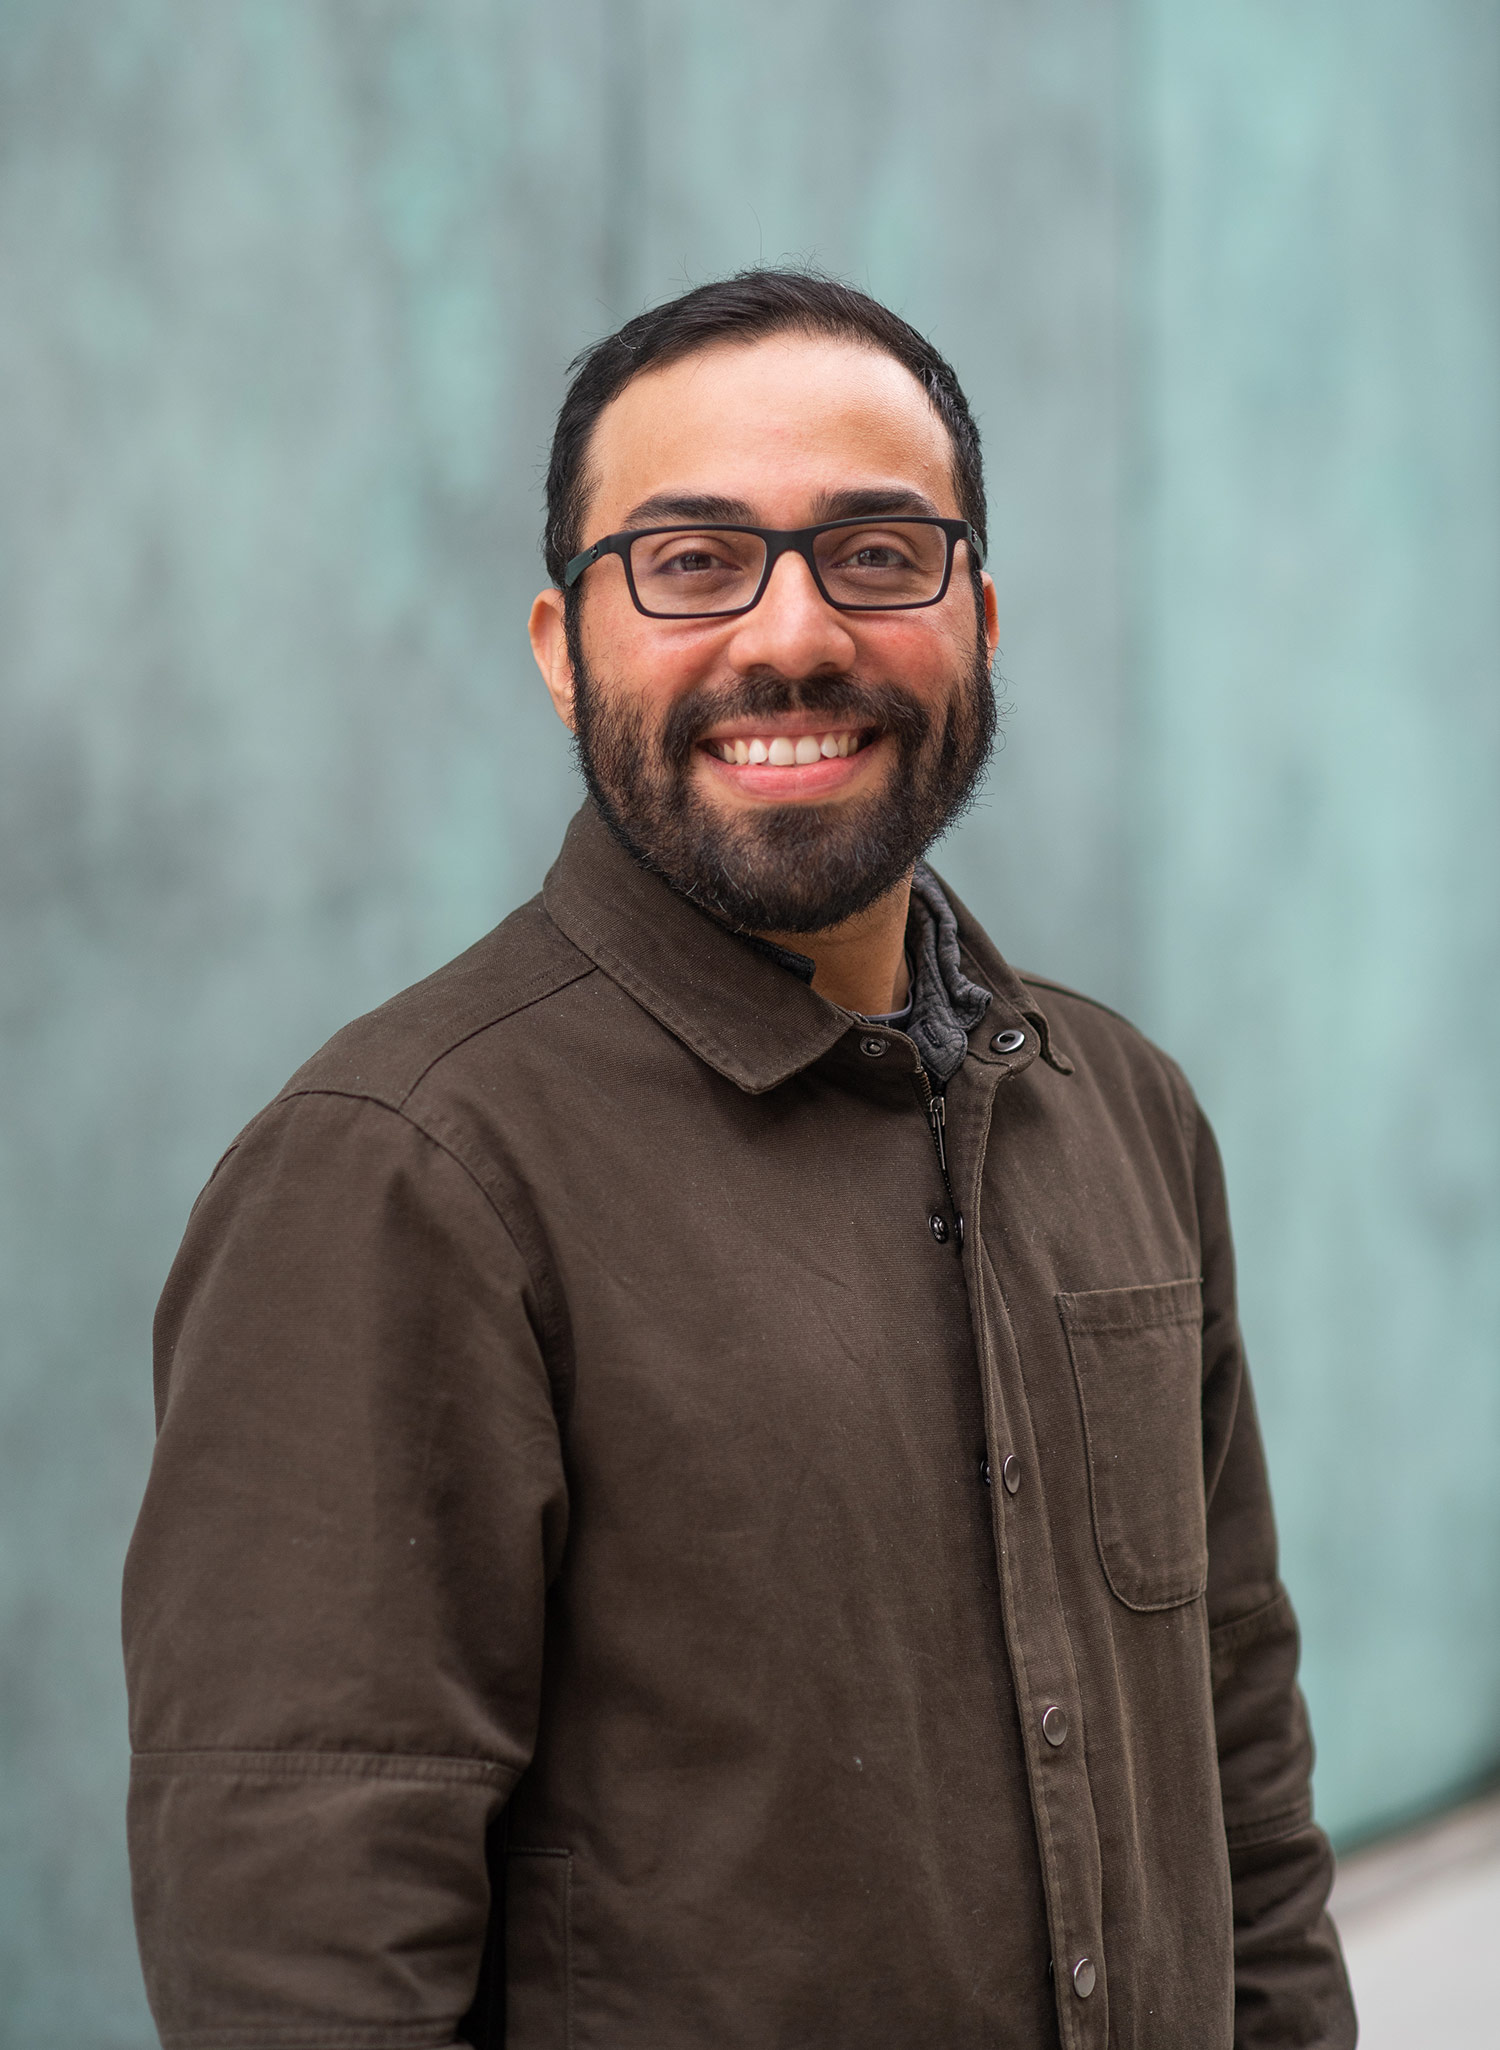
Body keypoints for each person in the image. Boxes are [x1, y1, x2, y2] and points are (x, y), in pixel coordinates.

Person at [123, 270, 1357, 2050]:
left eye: (876, 552)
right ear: (563, 644)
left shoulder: (1126, 1108)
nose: (793, 634)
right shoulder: (398, 1176)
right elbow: (300, 1966)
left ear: (983, 617)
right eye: (692, 561)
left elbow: (1240, 1766)